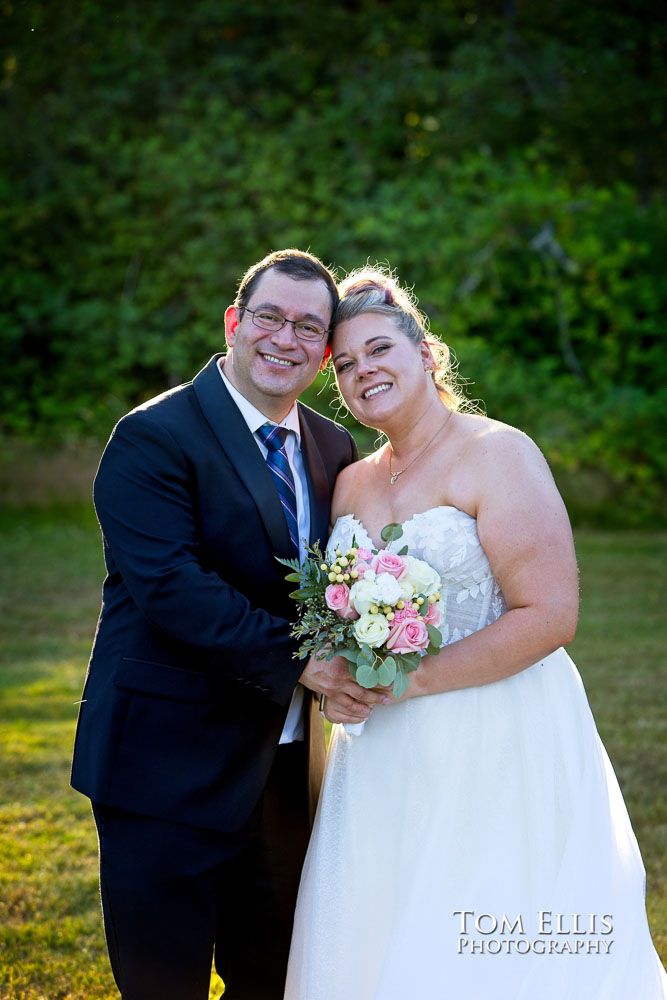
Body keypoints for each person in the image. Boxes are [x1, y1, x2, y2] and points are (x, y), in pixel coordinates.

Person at [284, 267, 667, 999]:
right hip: (380, 752)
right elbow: (333, 604)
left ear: (425, 353)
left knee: (480, 924)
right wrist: (342, 667)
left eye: (378, 351)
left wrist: (408, 681)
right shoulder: (353, 482)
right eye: (346, 365)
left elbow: (549, 615)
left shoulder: (498, 452)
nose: (363, 372)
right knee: (382, 925)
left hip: (496, 733)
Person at [70, 249, 386, 1000]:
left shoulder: (333, 447)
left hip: (281, 775)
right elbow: (172, 588)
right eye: (269, 317)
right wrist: (306, 662)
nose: (285, 338)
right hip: (164, 765)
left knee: (272, 978)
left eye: (308, 327)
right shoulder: (154, 436)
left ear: (324, 350)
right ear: (233, 322)